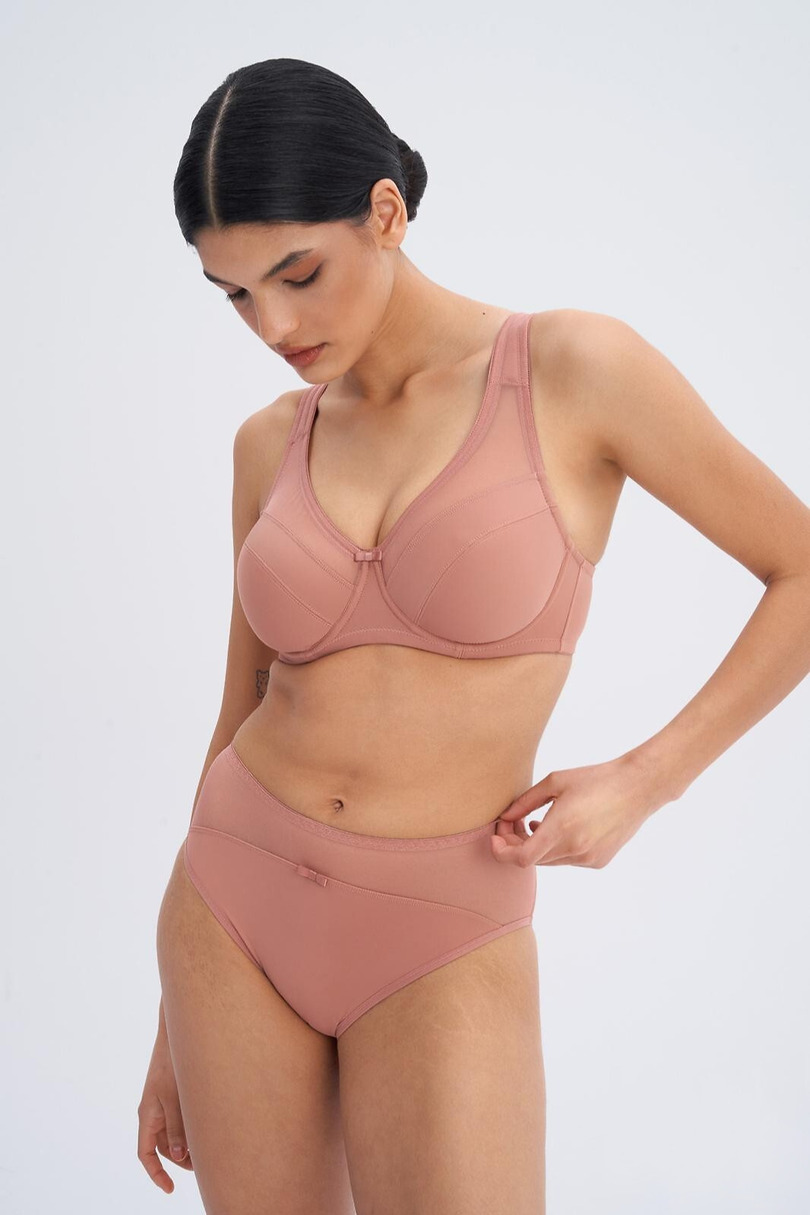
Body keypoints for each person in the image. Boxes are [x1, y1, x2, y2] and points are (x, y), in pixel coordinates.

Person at [137, 57, 810, 1214]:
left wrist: (649, 779)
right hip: (229, 906)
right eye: (235, 294)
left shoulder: (572, 370)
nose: (273, 325)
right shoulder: (267, 442)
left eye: (298, 273)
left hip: (443, 924)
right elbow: (239, 707)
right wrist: (170, 1028)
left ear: (385, 213)